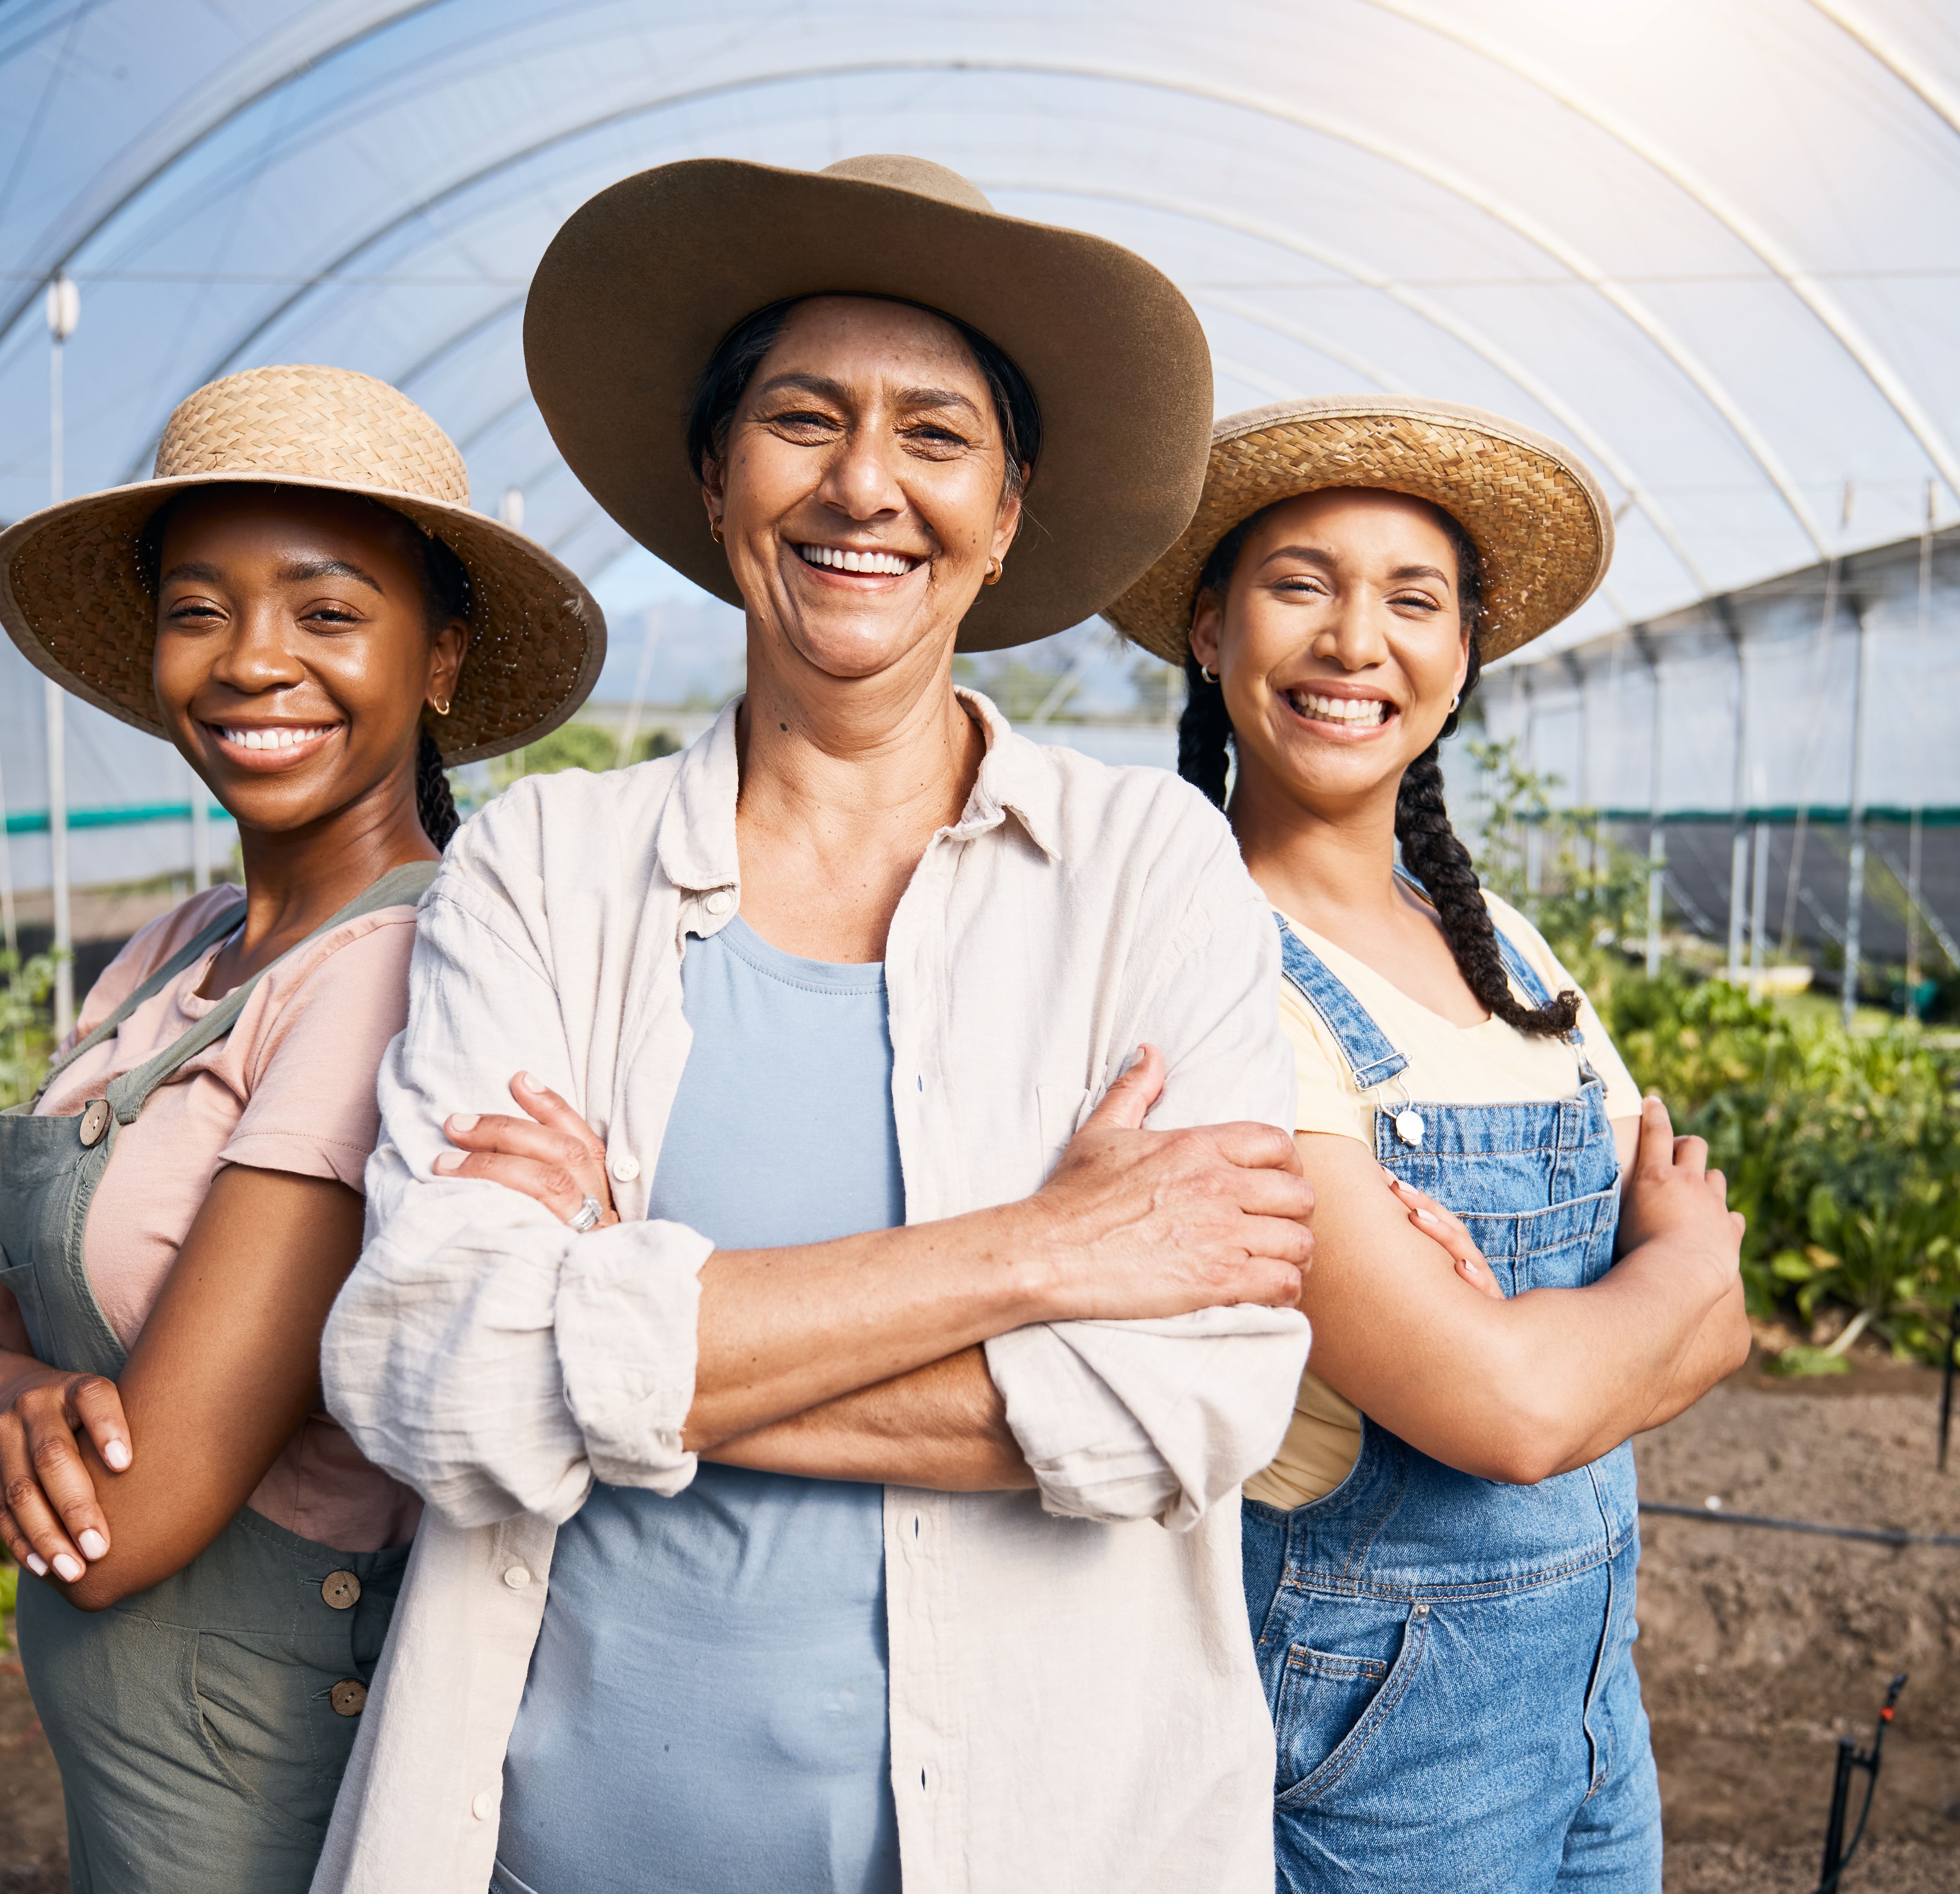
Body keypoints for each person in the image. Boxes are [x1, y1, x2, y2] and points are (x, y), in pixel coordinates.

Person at [310, 155, 1314, 1894]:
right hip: (579, 1844)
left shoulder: (1149, 866)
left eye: (936, 436)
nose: (864, 482)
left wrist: (620, 1310)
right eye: (801, 420)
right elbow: (430, 1376)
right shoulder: (544, 870)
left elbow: (1198, 1399)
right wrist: (1042, 1252)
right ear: (717, 480)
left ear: (1007, 513)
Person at [0, 364, 605, 1894]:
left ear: (442, 658)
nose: (256, 662)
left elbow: (126, 1525)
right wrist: (2, 1388)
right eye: (202, 611)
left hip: (262, 1752)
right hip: (137, 1748)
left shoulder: (396, 967)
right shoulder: (182, 950)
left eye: (328, 614)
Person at [1105, 395, 1753, 1891]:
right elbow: (1513, 1415)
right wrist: (1663, 1285)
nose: (1354, 642)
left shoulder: (1498, 942)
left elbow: (1726, 1327)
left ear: (1463, 658)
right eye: (1300, 584)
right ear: (1211, 631)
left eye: (1413, 599)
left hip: (1595, 1693)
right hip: (1375, 1718)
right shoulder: (1207, 969)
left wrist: (1597, 1326)